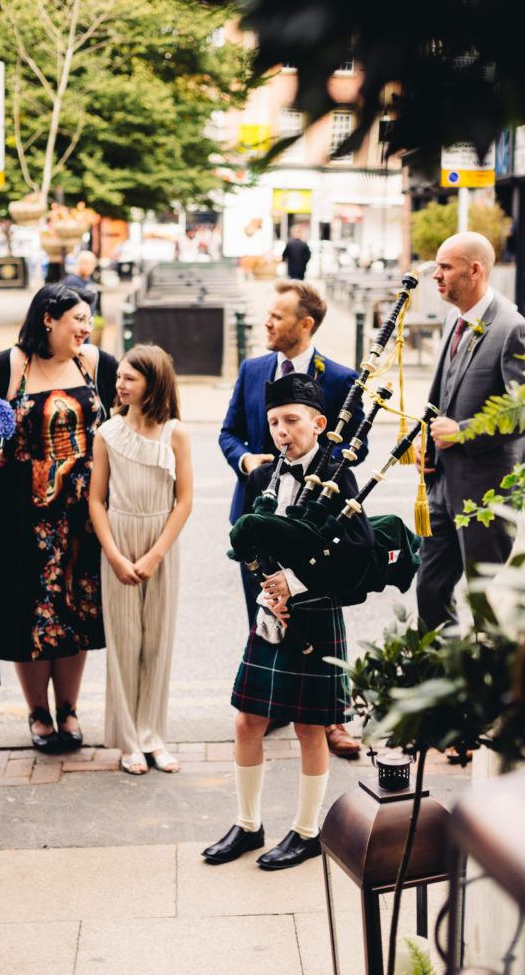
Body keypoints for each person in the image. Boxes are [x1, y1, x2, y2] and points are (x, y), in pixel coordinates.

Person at [203, 372, 374, 869]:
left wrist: (295, 584)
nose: (282, 431)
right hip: (270, 616)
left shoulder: (338, 475)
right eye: (275, 422)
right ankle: (248, 824)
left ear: (320, 423)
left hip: (316, 610)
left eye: (292, 421)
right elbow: (247, 540)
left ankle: (305, 831)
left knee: (309, 727)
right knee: (246, 720)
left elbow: (358, 549)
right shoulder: (261, 476)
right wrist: (265, 585)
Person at [219, 278, 367, 759]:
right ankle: (275, 704)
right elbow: (230, 432)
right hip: (257, 515)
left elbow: (353, 448)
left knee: (315, 619)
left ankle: (326, 717)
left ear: (305, 324)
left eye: (277, 316)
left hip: (315, 528)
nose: (266, 322)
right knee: (266, 614)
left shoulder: (341, 378)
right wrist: (248, 462)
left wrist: (313, 466)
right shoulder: (252, 367)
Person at [0, 283, 118, 753]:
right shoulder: (5, 367)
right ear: (47, 319)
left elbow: (136, 414)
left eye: (88, 318)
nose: (86, 327)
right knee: (28, 611)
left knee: (76, 608)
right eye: (77, 318)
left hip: (83, 510)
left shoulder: (94, 363)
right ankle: (37, 711)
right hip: (19, 514)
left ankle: (69, 708)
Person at [415, 232, 525, 632]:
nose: (436, 275)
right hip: (441, 486)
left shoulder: (511, 328)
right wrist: (427, 448)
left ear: (475, 270)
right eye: (437, 266)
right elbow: (441, 395)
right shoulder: (454, 317)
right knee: (430, 590)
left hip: (487, 491)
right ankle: (443, 676)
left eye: (445, 267)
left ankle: (489, 684)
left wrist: (463, 432)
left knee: (487, 598)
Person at [89, 344, 193, 775]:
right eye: (119, 378)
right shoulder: (107, 432)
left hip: (160, 543)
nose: (120, 384)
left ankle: (153, 736)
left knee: (157, 642)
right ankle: (128, 740)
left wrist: (155, 555)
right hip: (119, 539)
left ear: (154, 382)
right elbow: (96, 500)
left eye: (130, 378)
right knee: (124, 643)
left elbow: (184, 501)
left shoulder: (175, 433)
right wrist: (114, 555)